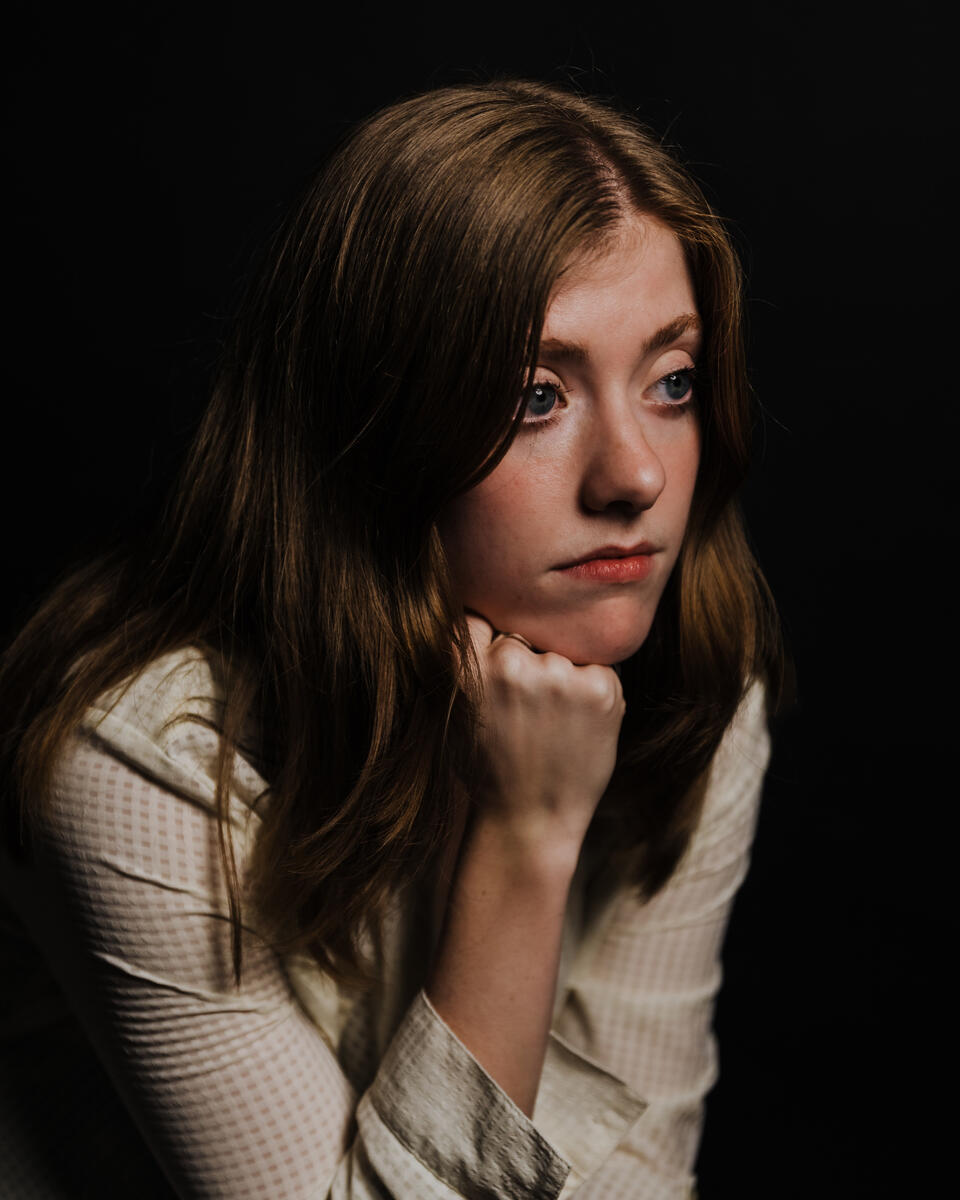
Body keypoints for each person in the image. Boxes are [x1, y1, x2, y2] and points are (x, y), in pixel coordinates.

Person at [0, 78, 783, 1198]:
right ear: (370, 427)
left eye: (672, 381)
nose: (638, 476)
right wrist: (526, 838)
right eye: (533, 398)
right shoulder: (131, 759)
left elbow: (641, 1178)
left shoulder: (696, 682)